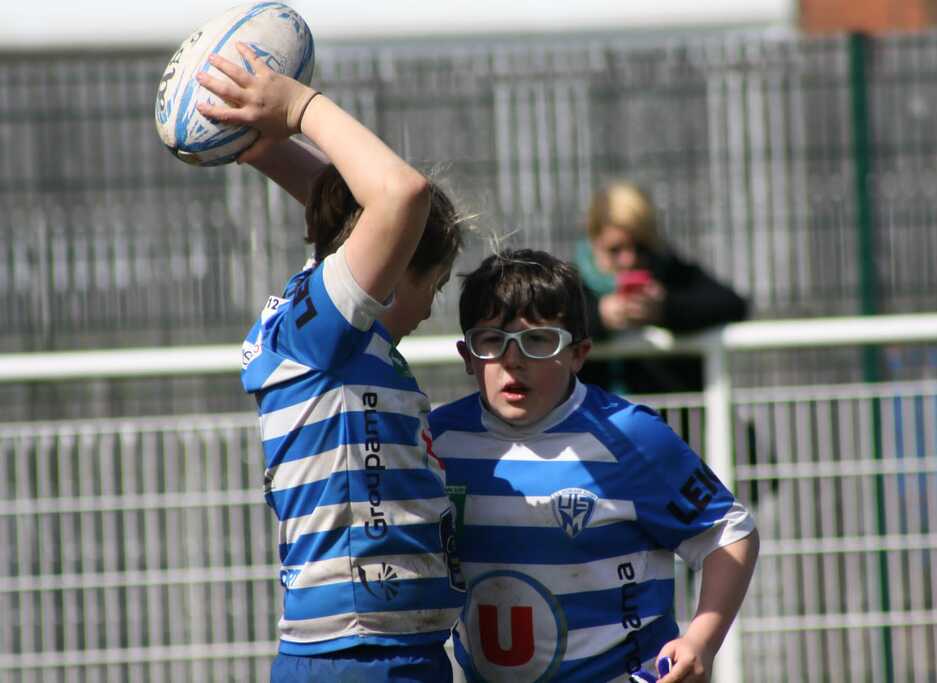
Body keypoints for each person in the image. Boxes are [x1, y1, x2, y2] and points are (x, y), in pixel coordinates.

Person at [197, 44, 466, 681]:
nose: (432, 308)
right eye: (434, 284)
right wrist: (298, 105)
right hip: (361, 656)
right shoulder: (325, 331)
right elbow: (401, 194)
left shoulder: (326, 328)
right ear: (394, 266)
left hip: (383, 651)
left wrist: (264, 146)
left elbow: (342, 211)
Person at [428, 249, 759, 682]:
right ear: (467, 355)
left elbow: (727, 532)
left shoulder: (630, 435)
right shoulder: (436, 441)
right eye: (492, 340)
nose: (513, 359)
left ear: (579, 353)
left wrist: (702, 641)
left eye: (538, 340)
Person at [574, 181, 748, 394]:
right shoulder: (571, 282)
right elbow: (548, 323)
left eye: (640, 247)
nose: (630, 260)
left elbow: (732, 304)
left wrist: (665, 309)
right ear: (594, 241)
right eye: (615, 250)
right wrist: (599, 316)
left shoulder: (670, 271)